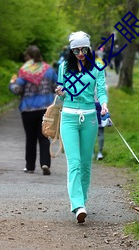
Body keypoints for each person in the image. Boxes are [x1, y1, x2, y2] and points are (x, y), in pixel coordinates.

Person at [55, 31, 108, 223]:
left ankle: (82, 201)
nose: (80, 53)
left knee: (86, 164)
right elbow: (61, 94)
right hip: (68, 117)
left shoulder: (97, 67)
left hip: (90, 118)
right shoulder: (64, 67)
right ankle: (77, 205)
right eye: (76, 50)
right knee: (74, 163)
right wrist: (60, 92)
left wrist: (103, 104)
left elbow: (101, 90)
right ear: (71, 50)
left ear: (88, 48)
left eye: (83, 49)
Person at [9, 45, 57, 175]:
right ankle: (45, 163)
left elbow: (17, 90)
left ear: (28, 57)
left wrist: (12, 83)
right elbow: (56, 87)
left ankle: (30, 167)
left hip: (28, 109)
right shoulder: (49, 70)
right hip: (45, 109)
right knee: (44, 136)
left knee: (30, 138)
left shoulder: (24, 71)